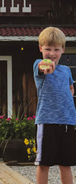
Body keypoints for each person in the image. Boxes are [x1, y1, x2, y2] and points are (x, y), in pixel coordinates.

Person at [33, 27, 76, 184]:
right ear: (40, 48)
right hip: (47, 122)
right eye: (47, 49)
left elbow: (71, 87)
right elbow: (42, 67)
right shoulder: (39, 65)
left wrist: (67, 101)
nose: (51, 53)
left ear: (63, 50)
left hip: (67, 122)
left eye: (56, 49)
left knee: (66, 164)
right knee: (44, 164)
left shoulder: (66, 70)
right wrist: (47, 65)